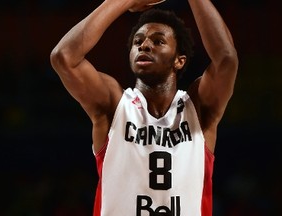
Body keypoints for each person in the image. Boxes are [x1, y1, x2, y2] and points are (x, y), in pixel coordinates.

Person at [50, 0, 238, 215]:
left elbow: (226, 59)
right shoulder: (114, 106)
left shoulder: (197, 108)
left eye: (158, 41)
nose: (145, 45)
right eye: (138, 42)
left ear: (179, 61)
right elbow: (64, 57)